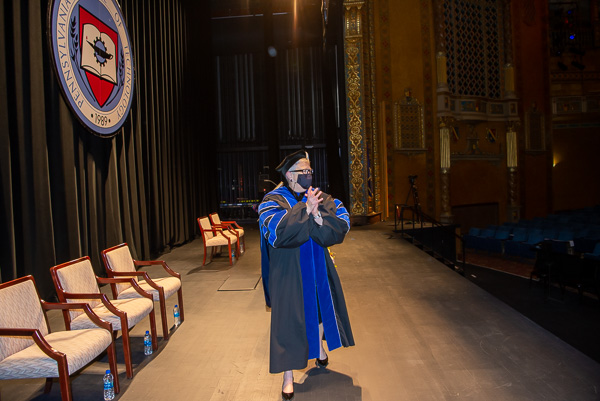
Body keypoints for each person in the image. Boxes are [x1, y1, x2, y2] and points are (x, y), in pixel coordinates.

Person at [258, 150, 355, 400]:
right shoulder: (271, 201)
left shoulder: (320, 197)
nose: (308, 174)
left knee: (321, 310)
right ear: (290, 175)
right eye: (303, 170)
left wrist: (318, 214)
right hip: (288, 273)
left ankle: (318, 346)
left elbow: (342, 222)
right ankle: (288, 375)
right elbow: (278, 233)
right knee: (289, 322)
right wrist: (305, 211)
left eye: (310, 170)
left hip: (317, 268)